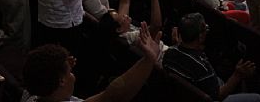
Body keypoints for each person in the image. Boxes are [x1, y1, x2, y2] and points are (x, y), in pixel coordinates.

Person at [22, 22, 162, 102]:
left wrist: (61, 68)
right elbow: (112, 96)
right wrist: (149, 60)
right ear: (61, 81)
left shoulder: (30, 93)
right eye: (69, 72)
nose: (73, 75)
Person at [162, 13, 260, 102]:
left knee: (221, 80)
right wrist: (238, 74)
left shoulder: (169, 53)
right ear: (200, 36)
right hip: (212, 97)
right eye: (205, 29)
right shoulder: (202, 66)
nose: (207, 31)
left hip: (184, 95)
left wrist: (176, 45)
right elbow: (218, 96)